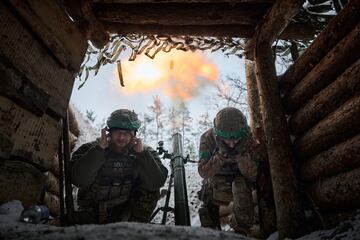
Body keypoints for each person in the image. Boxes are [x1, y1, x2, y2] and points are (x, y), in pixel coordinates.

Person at [70, 109, 168, 224]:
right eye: (118, 132)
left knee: (151, 189)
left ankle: (136, 229)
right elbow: (78, 179)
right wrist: (99, 150)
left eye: (126, 133)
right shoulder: (90, 149)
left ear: (134, 135)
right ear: (109, 132)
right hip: (92, 210)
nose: (121, 137)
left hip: (127, 212)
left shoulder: (145, 152)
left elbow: (156, 182)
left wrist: (142, 155)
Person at [197, 107, 258, 234]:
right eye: (227, 140)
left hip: (241, 182)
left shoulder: (249, 138)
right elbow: (203, 172)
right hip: (216, 182)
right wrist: (219, 158)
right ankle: (211, 231)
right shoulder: (208, 138)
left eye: (235, 139)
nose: (231, 144)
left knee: (240, 185)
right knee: (207, 202)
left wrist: (243, 160)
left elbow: (254, 176)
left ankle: (240, 231)